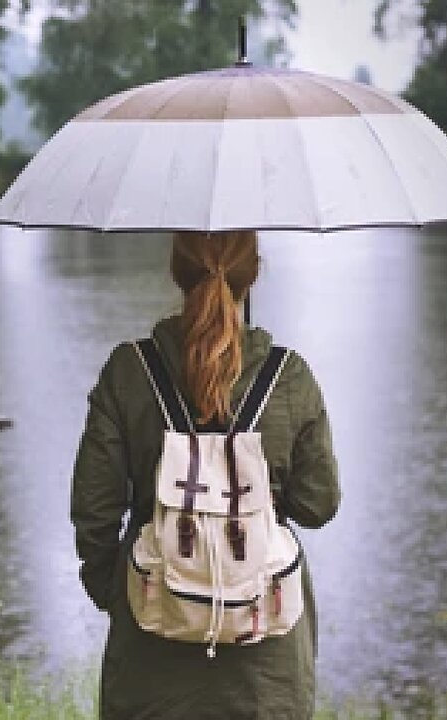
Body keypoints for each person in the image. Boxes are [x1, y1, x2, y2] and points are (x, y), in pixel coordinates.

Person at [69, 229, 341, 719]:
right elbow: (318, 505)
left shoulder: (129, 371)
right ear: (252, 274)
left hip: (149, 626)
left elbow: (95, 508)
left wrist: (116, 592)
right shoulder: (289, 377)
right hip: (266, 649)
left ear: (177, 270)